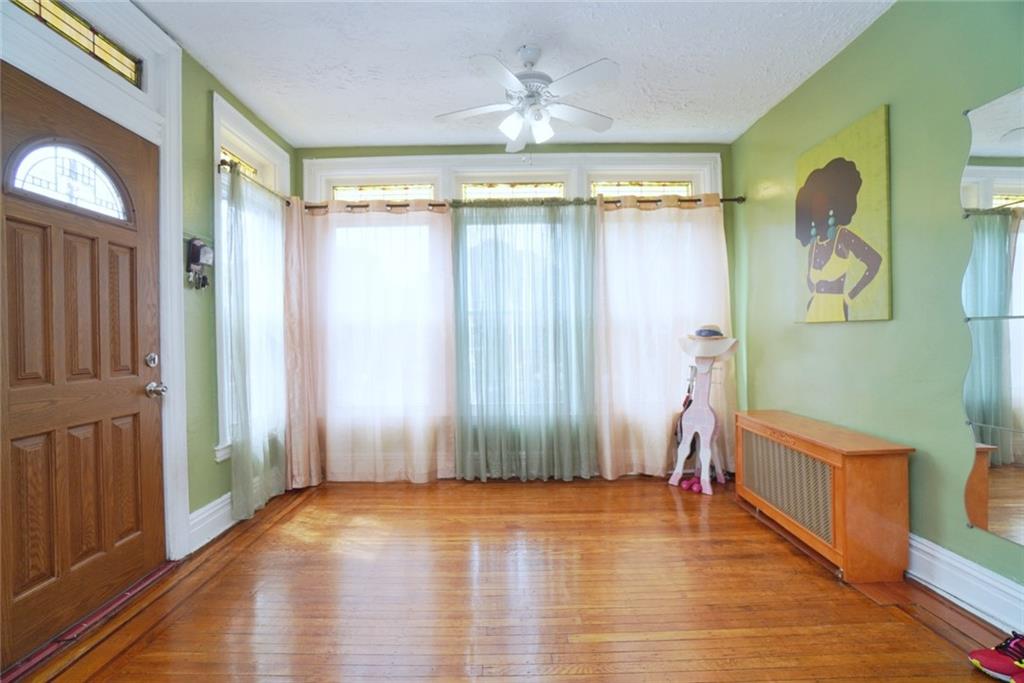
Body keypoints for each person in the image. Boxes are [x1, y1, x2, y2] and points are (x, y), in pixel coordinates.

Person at [795, 157, 882, 322]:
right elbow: (809, 281)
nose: (815, 208)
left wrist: (849, 296)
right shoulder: (814, 245)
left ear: (832, 203)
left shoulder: (843, 236)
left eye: (819, 202)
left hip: (836, 309)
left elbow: (875, 261)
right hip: (814, 311)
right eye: (812, 203)